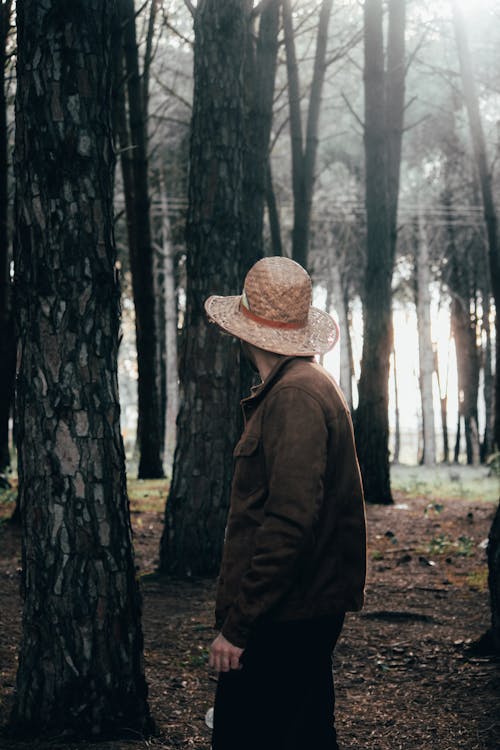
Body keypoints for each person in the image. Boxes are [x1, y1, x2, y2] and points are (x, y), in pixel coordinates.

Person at [204, 256, 366, 750]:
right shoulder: (295, 388)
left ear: (246, 332)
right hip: (295, 609)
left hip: (284, 615)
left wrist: (239, 626)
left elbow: (289, 524)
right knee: (305, 734)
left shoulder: (296, 395)